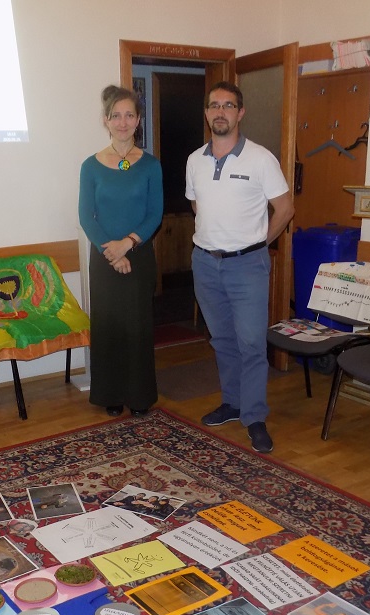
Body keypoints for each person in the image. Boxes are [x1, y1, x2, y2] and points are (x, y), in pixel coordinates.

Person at [185, 81, 294, 453]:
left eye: (228, 105)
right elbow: (197, 205)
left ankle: (255, 416)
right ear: (206, 113)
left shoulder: (261, 159)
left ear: (240, 112)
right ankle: (232, 403)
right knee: (222, 340)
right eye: (214, 105)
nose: (220, 112)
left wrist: (259, 242)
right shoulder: (194, 160)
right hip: (205, 263)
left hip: (247, 265)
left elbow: (285, 209)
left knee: (251, 343)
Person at [79, 84, 164, 418]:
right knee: (109, 327)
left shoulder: (151, 165)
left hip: (138, 256)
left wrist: (127, 244)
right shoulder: (90, 166)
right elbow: (86, 216)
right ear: (106, 120)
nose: (123, 122)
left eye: (129, 115)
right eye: (116, 115)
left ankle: (139, 396)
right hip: (104, 260)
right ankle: (111, 394)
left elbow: (154, 214)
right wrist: (111, 253)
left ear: (138, 119)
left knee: (138, 327)